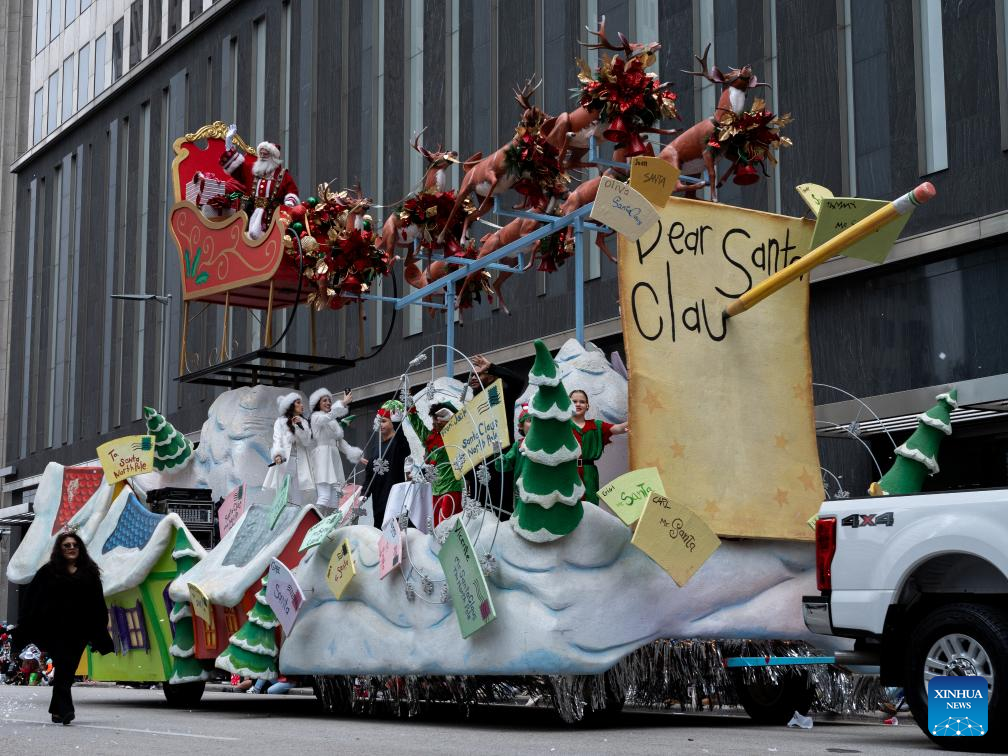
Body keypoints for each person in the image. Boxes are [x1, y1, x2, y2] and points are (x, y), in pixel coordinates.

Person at [13, 532, 114, 724]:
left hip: (79, 631)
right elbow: (31, 599)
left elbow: (97, 603)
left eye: (74, 545)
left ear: (80, 548)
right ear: (60, 549)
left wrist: (100, 628)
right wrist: (25, 623)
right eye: (66, 545)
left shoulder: (89, 573)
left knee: (67, 668)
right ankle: (65, 710)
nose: (71, 548)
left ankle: (57, 710)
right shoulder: (48, 572)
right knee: (64, 667)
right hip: (54, 630)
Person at [468, 354, 526, 516]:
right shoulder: (473, 403)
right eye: (472, 374)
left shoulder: (502, 393)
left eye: (479, 374)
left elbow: (518, 382)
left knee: (500, 505)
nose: (473, 378)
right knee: (479, 507)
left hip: (499, 458)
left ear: (491, 376)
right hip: (479, 463)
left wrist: (492, 367)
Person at [220, 126, 300, 240]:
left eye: (265, 154)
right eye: (260, 154)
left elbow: (292, 191)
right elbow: (236, 167)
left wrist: (289, 202)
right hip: (251, 215)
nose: (262, 156)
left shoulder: (283, 176)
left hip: (273, 219)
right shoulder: (252, 171)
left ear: (273, 157)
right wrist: (228, 143)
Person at [407, 401, 464, 526]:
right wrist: (410, 408)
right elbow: (418, 426)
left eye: (439, 418)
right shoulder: (431, 437)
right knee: (436, 526)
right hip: (435, 490)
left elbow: (462, 421)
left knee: (447, 526)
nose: (435, 422)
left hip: (451, 487)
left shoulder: (456, 435)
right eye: (434, 419)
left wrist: (452, 418)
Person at [569, 389, 628, 505]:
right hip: (567, 470)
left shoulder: (596, 425)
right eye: (574, 401)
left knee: (590, 505)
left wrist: (636, 418)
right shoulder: (561, 427)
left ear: (587, 406)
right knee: (569, 505)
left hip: (589, 472)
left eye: (582, 401)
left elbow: (619, 428)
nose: (578, 404)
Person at [308, 388, 363, 509]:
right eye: (324, 400)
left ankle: (329, 527)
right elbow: (325, 418)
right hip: (322, 458)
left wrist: (357, 455)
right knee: (324, 496)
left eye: (329, 400)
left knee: (334, 499)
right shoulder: (316, 417)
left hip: (333, 458)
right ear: (318, 403)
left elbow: (340, 442)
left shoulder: (332, 421)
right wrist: (342, 403)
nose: (328, 402)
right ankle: (315, 523)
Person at [361, 400, 410, 527]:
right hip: (378, 503)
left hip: (395, 502)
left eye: (384, 421)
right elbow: (370, 474)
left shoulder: (398, 443)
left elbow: (405, 449)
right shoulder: (375, 446)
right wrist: (364, 494)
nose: (381, 424)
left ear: (392, 422)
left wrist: (398, 423)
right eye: (380, 421)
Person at [263, 392, 315, 505]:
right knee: (282, 495)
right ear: (291, 405)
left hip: (300, 463)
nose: (302, 405)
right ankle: (281, 519)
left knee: (297, 497)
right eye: (298, 403)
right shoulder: (280, 422)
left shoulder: (304, 422)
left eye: (301, 403)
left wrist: (299, 426)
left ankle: (295, 518)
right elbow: (277, 440)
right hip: (284, 461)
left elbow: (307, 442)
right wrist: (277, 454)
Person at [495, 404, 531, 513]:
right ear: (521, 425)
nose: (535, 424)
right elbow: (503, 465)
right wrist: (497, 451)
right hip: (521, 488)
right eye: (529, 420)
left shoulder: (546, 445)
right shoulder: (518, 445)